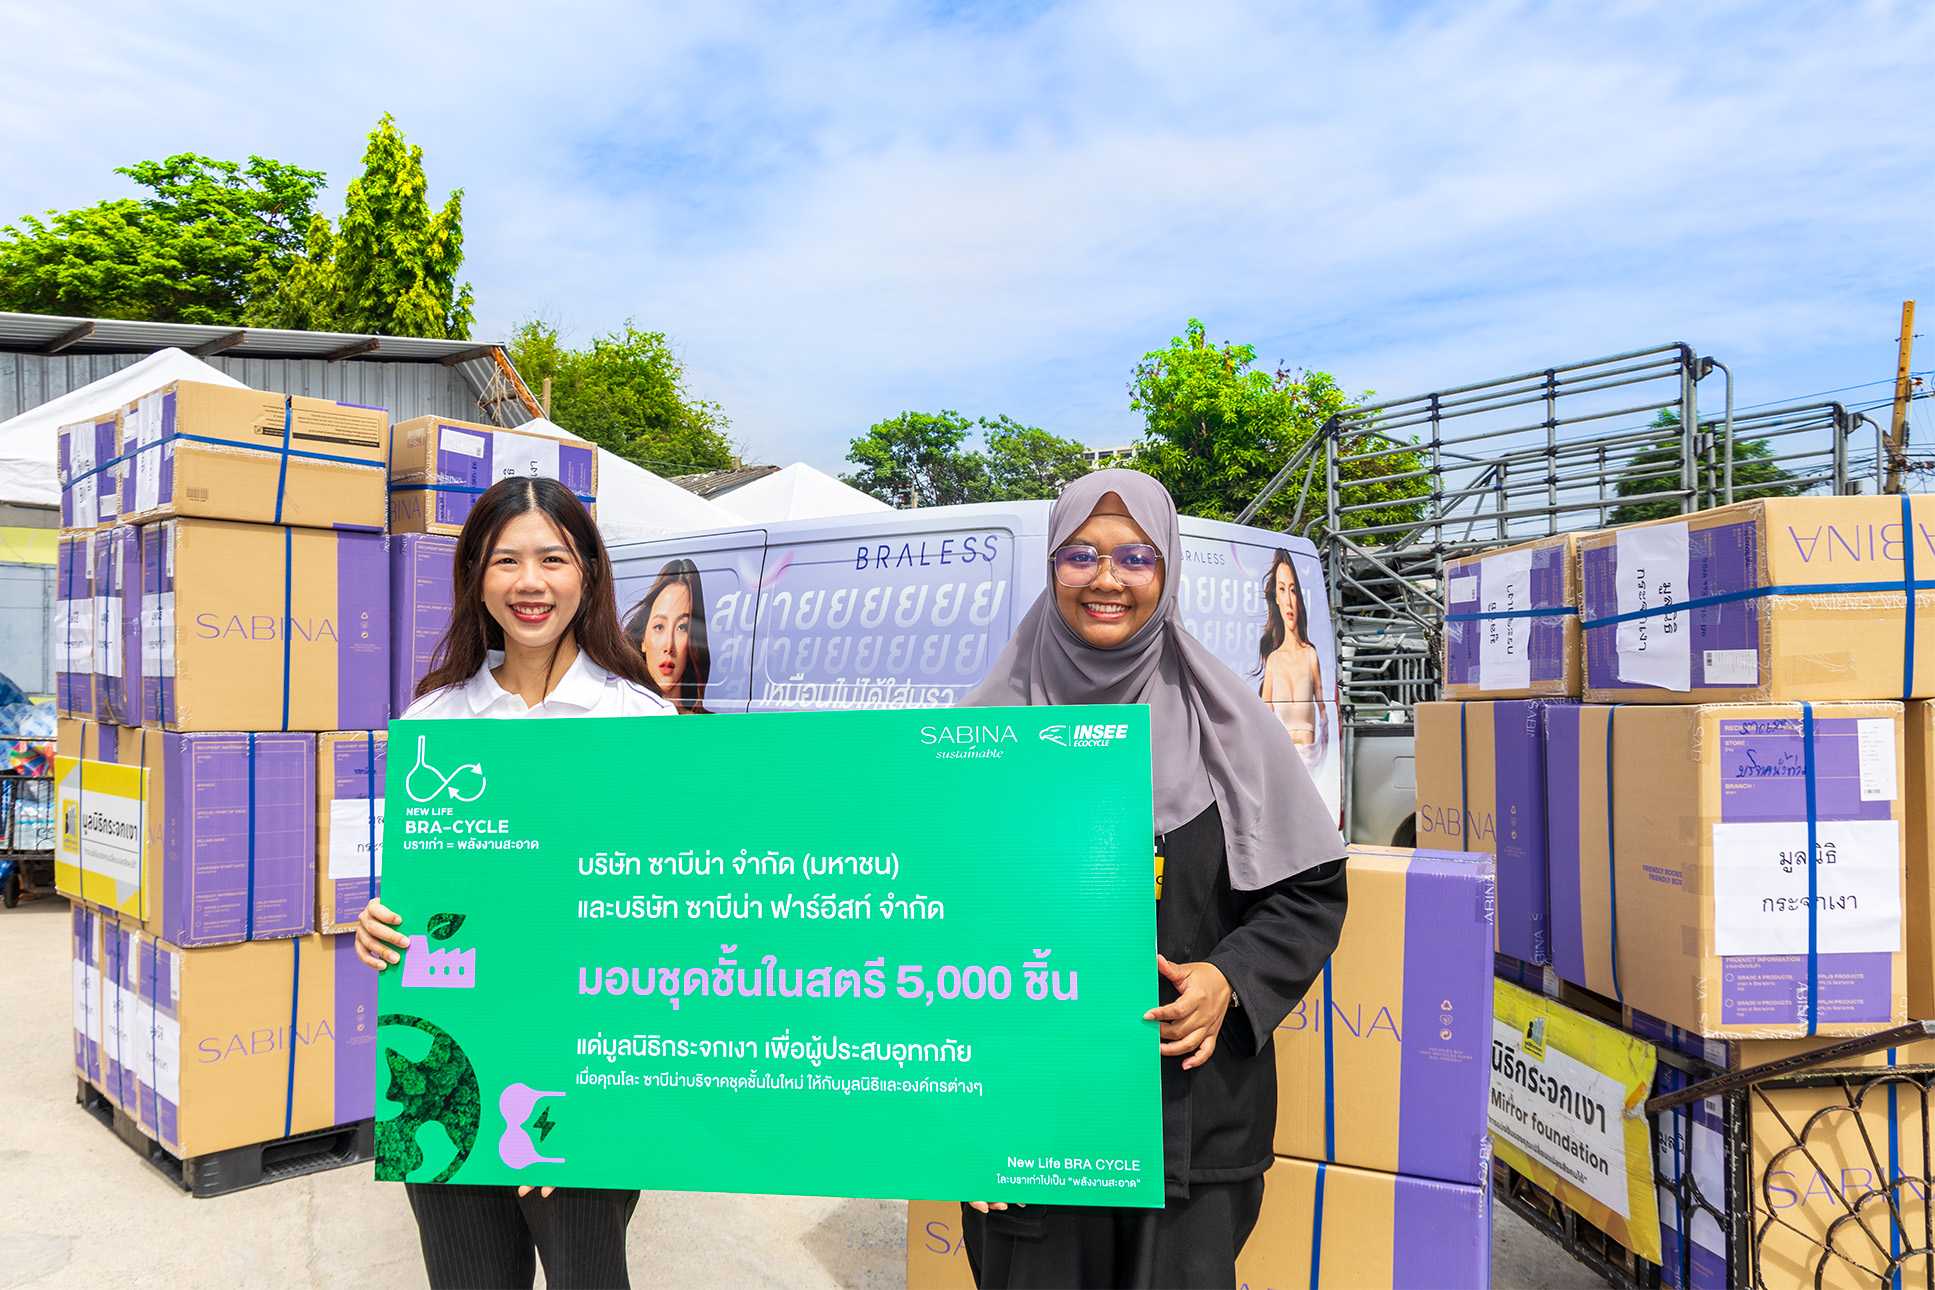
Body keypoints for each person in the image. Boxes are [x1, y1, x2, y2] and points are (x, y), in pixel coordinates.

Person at [957, 469, 1348, 1290]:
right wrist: (960, 1120)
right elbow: (921, 927)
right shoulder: (977, 737)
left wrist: (1229, 980)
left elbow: (1308, 892)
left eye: (1134, 556)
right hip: (1029, 1125)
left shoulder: (1231, 727)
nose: (1106, 579)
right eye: (1080, 556)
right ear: (1051, 568)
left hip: (1195, 1125)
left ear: (1166, 568)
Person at [355, 476, 674, 1290]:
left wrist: (572, 1089)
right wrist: (375, 921)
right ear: (475, 577)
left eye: (552, 559)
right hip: (449, 1065)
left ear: (587, 574)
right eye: (505, 561)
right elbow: (417, 891)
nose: (529, 583)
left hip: (587, 1062)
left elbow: (655, 917)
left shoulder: (637, 724)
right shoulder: (435, 724)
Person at [1256, 549, 1328, 758]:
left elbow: (1324, 708)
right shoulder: (1274, 660)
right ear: (1276, 598)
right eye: (1282, 589)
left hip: (1310, 753)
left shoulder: (1310, 654)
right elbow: (1264, 709)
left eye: (1293, 590)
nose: (1288, 599)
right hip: (1282, 752)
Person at [623, 558, 711, 713]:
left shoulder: (710, 727)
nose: (669, 646)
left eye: (682, 627)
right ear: (643, 640)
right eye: (659, 627)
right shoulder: (621, 715)